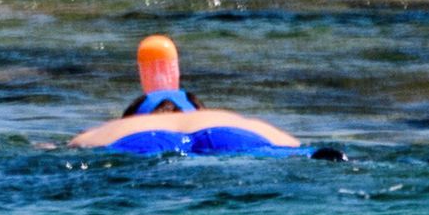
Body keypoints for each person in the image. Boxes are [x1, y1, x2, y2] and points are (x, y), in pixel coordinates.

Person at [70, 34, 301, 155]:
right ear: (198, 110)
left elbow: (72, 147)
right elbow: (292, 145)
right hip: (229, 134)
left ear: (134, 116)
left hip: (140, 140)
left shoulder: (116, 129)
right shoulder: (223, 118)